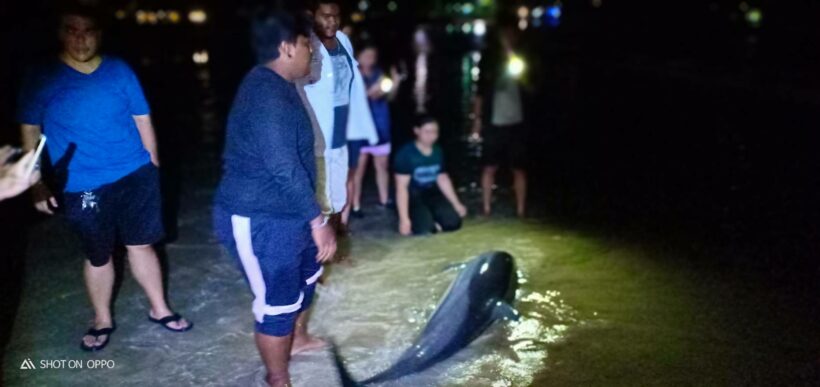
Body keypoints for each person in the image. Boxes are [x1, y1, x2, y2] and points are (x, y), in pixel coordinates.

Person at [17, 5, 191, 352]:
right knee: (98, 254)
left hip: (134, 173)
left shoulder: (119, 70)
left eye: (88, 30)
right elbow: (30, 129)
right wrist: (36, 182)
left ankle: (160, 309)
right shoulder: (43, 75)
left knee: (141, 245)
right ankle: (101, 318)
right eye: (72, 29)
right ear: (60, 32)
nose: (81, 38)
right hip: (81, 184)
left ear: (99, 33)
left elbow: (143, 118)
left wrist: (152, 167)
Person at [212, 10, 336, 387]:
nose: (312, 53)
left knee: (309, 276)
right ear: (285, 47)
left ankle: (296, 341)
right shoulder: (266, 94)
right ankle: (277, 377)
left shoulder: (278, 85)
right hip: (259, 218)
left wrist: (312, 216)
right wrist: (318, 222)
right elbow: (284, 168)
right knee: (277, 303)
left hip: (290, 210)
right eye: (306, 45)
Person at [302, 0, 378, 228]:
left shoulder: (344, 41)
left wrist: (365, 128)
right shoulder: (306, 46)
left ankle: (334, 243)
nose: (332, 21)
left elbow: (352, 89)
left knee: (338, 192)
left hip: (343, 129)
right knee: (319, 195)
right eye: (325, 15)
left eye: (336, 16)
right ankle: (318, 252)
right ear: (311, 15)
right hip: (317, 134)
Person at [471, 25, 529, 217]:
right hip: (494, 123)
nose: (508, 38)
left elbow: (532, 87)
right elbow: (479, 94)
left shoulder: (523, 59)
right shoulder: (489, 62)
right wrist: (477, 121)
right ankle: (486, 209)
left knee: (519, 168)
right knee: (489, 167)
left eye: (511, 34)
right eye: (505, 34)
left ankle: (521, 211)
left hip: (517, 124)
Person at [349, 44, 402, 217]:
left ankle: (384, 199)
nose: (370, 58)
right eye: (367, 54)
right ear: (359, 55)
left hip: (381, 125)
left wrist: (396, 84)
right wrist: (372, 91)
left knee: (382, 166)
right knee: (359, 168)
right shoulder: (351, 72)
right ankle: (355, 205)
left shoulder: (380, 73)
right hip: (361, 128)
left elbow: (390, 97)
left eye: (373, 55)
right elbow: (358, 97)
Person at [394, 115, 467, 236]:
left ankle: (433, 218)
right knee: (425, 231)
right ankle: (426, 220)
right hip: (413, 195)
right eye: (427, 132)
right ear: (417, 131)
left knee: (454, 224)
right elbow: (401, 188)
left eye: (434, 132)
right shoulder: (405, 154)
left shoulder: (438, 150)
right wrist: (404, 219)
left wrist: (456, 203)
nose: (431, 136)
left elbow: (442, 178)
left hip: (432, 192)